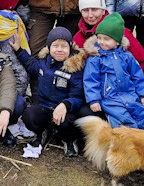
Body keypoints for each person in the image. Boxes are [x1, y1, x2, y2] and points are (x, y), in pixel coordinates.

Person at [12, 27, 87, 157]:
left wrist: (65, 105)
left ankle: (68, 140)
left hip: (65, 110)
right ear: (48, 47)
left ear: (70, 48)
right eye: (55, 45)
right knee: (29, 115)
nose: (59, 49)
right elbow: (30, 64)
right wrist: (18, 50)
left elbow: (78, 95)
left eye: (64, 46)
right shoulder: (44, 62)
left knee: (67, 124)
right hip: (45, 107)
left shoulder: (75, 68)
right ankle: (42, 132)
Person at [83, 13, 144, 130]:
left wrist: (142, 93)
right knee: (122, 122)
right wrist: (94, 100)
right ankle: (125, 144)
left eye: (106, 39)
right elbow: (91, 80)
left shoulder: (127, 56)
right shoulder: (95, 59)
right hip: (110, 99)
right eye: (99, 38)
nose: (101, 42)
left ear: (117, 42)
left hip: (130, 95)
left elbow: (137, 75)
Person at [74, 0, 144, 81]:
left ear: (102, 10)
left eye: (94, 9)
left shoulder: (121, 32)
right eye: (86, 10)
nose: (90, 15)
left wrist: (138, 88)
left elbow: (143, 62)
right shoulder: (78, 38)